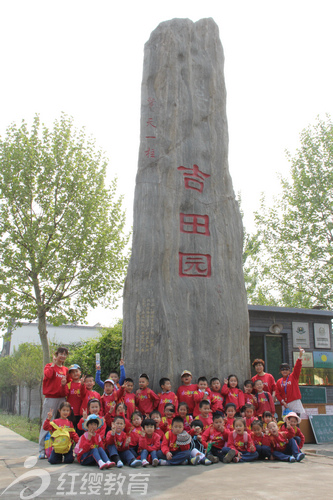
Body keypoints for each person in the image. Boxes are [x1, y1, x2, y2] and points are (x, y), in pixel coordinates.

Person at [38, 346, 69, 459]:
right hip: (51, 398)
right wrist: (53, 364)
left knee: (61, 423)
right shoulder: (49, 366)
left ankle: (57, 448)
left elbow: (68, 384)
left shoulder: (66, 370)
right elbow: (48, 375)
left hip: (62, 399)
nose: (63, 356)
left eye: (65, 354)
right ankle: (42, 450)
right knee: (47, 422)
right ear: (56, 355)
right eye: (61, 353)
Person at [275, 347, 305, 416]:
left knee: (296, 421)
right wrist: (282, 401)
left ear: (289, 371)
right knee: (287, 423)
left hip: (294, 402)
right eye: (283, 370)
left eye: (286, 369)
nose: (284, 371)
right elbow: (277, 394)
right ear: (280, 371)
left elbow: (297, 367)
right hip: (285, 404)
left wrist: (300, 356)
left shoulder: (293, 377)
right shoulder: (279, 381)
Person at [62, 364, 86, 430]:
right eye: (72, 372)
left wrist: (82, 385)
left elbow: (83, 394)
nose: (75, 373)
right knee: (70, 430)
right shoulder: (69, 384)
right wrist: (64, 385)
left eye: (76, 371)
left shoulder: (83, 384)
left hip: (80, 412)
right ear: (70, 375)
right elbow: (65, 393)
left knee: (79, 430)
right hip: (70, 413)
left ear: (80, 373)